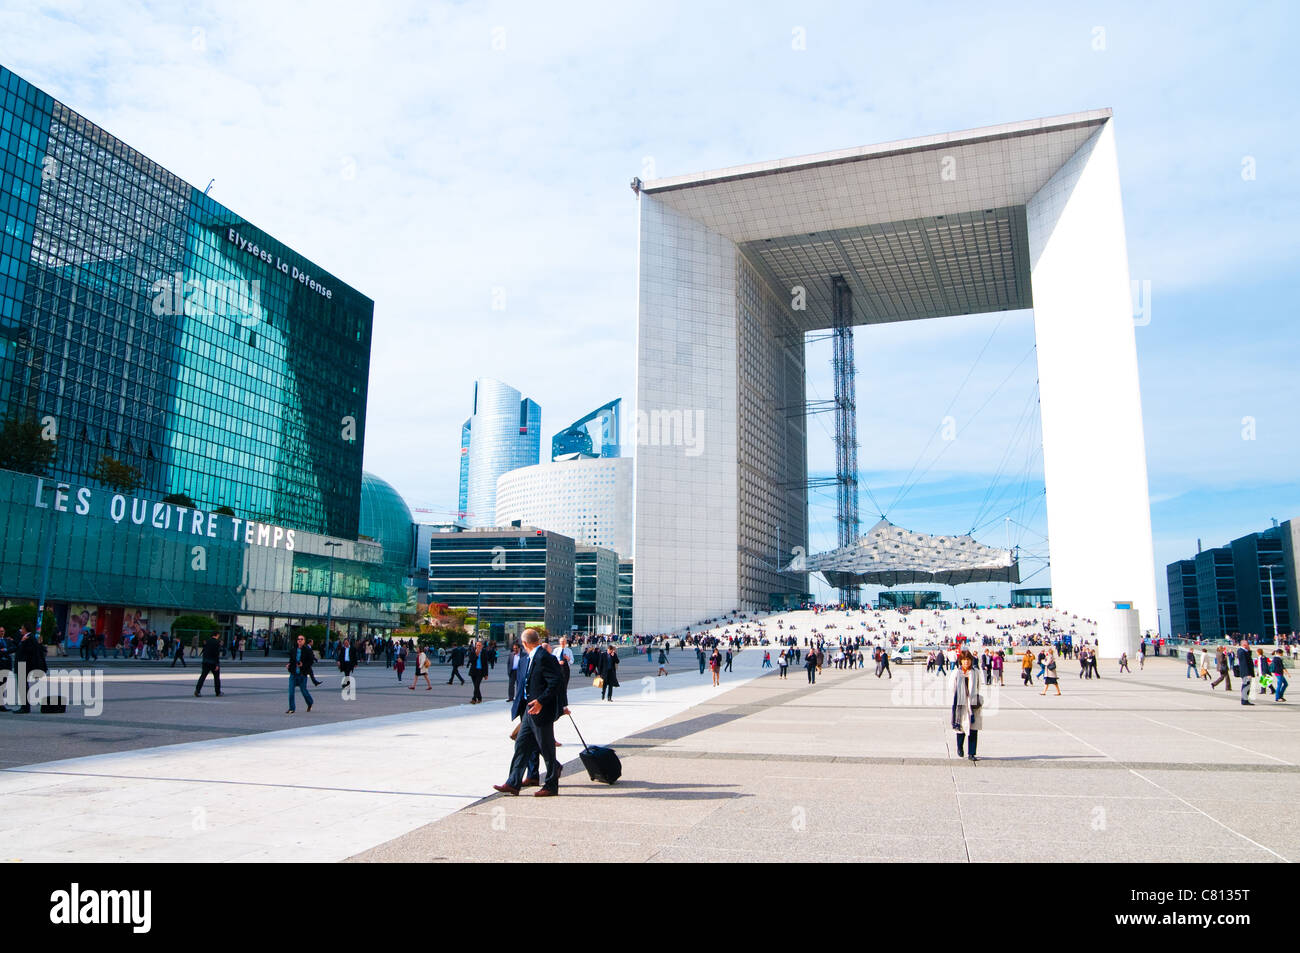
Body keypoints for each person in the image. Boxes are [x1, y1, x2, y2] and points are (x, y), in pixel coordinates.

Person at [493, 628, 565, 797]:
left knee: (546, 749)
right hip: (528, 711)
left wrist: (541, 701)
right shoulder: (528, 659)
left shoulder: (545, 658)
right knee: (521, 746)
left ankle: (551, 786)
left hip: (541, 710)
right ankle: (513, 783)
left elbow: (556, 683)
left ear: (524, 643)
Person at [950, 650, 983, 762]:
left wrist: (973, 697)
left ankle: (972, 753)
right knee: (961, 729)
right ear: (961, 661)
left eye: (968, 660)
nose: (966, 662)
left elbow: (978, 686)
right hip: (961, 704)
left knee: (973, 729)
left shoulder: (975, 672)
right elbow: (952, 687)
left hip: (972, 704)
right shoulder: (956, 672)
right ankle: (960, 746)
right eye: (964, 660)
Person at [285, 633, 315, 714]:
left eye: (301, 639)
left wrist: (303, 665)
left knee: (304, 691)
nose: (300, 641)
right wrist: (289, 664)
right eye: (298, 639)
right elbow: (291, 660)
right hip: (293, 674)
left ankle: (310, 702)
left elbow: (311, 661)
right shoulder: (293, 650)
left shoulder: (308, 650)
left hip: (302, 674)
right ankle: (292, 708)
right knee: (291, 692)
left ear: (304, 641)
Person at [194, 632, 223, 697]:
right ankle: (218, 692)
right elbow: (216, 654)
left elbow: (204, 651)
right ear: (217, 635)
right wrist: (217, 664)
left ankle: (197, 690)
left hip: (206, 661)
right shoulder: (217, 642)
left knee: (203, 676)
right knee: (216, 678)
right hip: (213, 662)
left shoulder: (207, 641)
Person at [1236, 638, 1255, 706]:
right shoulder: (1241, 651)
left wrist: (1249, 650)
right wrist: (1247, 673)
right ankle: (1244, 700)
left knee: (1247, 686)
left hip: (1246, 672)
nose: (1248, 645)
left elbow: (1248, 658)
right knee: (1246, 686)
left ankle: (1245, 699)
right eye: (1247, 644)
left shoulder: (1244, 651)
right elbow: (1244, 663)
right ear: (1244, 644)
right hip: (1246, 672)